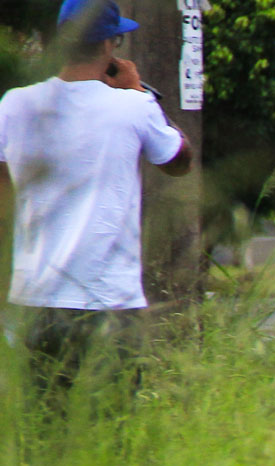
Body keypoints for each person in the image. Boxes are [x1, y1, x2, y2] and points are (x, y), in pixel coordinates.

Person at [0, 0, 191, 395]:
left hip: (34, 303)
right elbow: (179, 160)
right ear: (111, 45)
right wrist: (138, 91)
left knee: (40, 436)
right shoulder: (135, 106)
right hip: (111, 307)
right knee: (111, 434)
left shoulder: (14, 105)